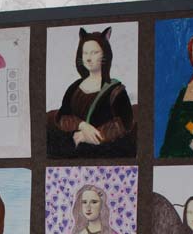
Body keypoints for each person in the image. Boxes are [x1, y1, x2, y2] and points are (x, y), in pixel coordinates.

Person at [47, 27, 135, 158]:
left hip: (104, 154)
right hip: (73, 151)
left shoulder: (116, 90)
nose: (88, 58)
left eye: (94, 52)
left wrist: (94, 135)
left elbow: (125, 123)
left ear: (105, 54)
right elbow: (62, 117)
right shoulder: (74, 87)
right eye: (85, 53)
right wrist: (82, 125)